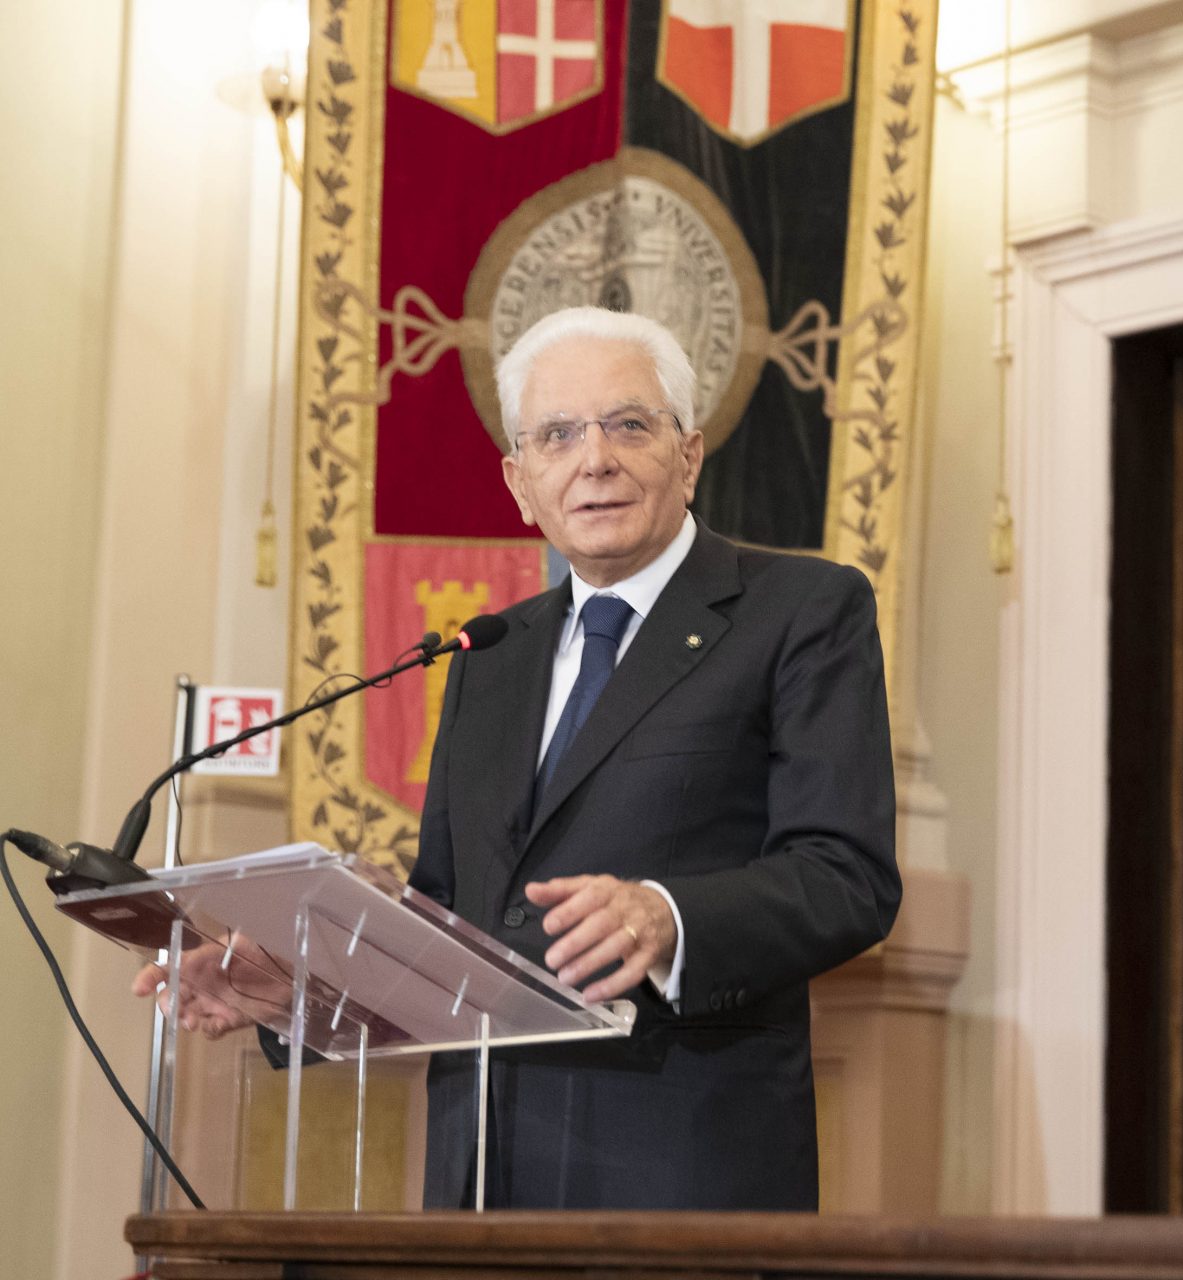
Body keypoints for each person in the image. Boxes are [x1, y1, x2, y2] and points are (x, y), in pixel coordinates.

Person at [134, 306, 901, 1210]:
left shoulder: (801, 609)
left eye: (629, 425)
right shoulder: (489, 655)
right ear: (520, 481)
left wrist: (667, 917)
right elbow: (454, 921)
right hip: (483, 1176)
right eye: (558, 435)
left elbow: (847, 875)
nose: (595, 459)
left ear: (688, 456)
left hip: (683, 1172)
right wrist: (302, 994)